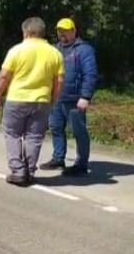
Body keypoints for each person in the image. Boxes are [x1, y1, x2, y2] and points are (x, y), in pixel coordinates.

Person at [0, 17, 65, 186]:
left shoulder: (17, 50)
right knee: (34, 137)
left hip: (17, 99)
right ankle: (30, 172)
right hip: (41, 101)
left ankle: (18, 171)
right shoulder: (55, 53)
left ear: (27, 32)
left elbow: (4, 76)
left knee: (12, 134)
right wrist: (53, 99)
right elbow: (59, 80)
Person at [39, 18, 98, 176]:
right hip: (57, 97)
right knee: (56, 128)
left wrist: (85, 96)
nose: (62, 34)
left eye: (66, 30)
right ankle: (58, 158)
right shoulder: (55, 49)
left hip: (75, 99)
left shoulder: (84, 50)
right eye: (60, 31)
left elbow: (90, 75)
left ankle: (81, 164)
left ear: (74, 31)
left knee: (79, 132)